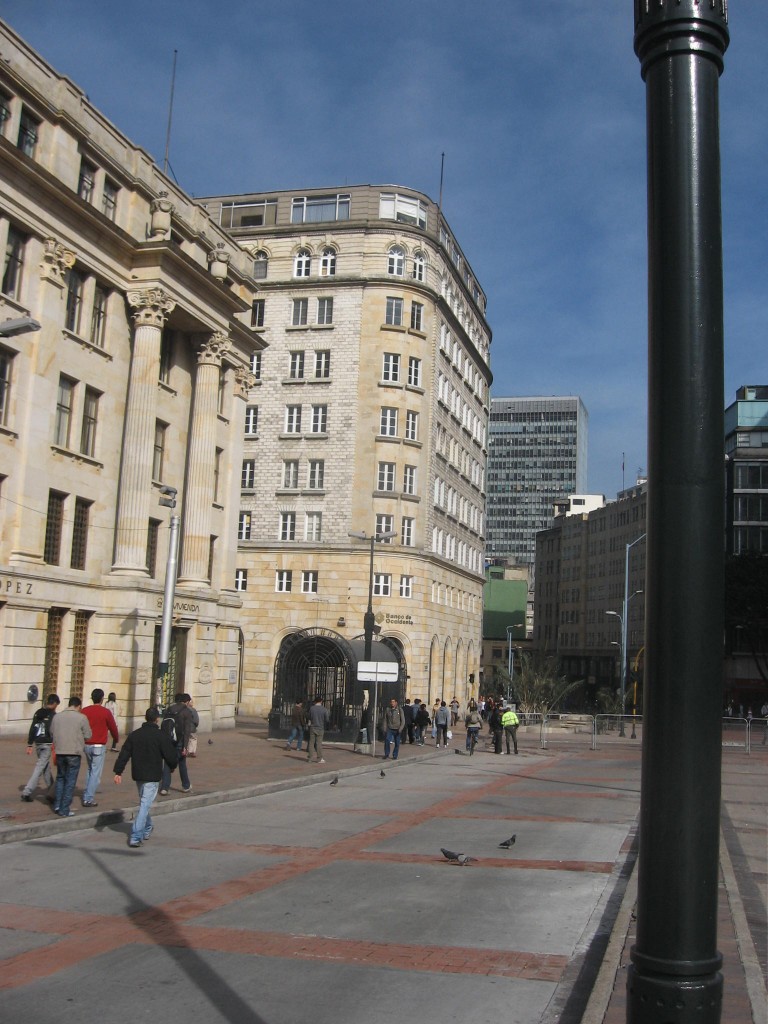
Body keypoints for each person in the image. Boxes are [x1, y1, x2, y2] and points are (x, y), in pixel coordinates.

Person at [114, 707, 178, 848]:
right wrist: (173, 765)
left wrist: (118, 771)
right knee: (145, 804)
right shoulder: (160, 735)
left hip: (138, 774)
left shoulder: (135, 735)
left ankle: (148, 827)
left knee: (145, 802)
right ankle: (136, 836)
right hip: (152, 775)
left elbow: (124, 753)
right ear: (157, 719)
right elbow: (170, 754)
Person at [49, 696, 92, 817]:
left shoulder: (57, 717)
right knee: (70, 781)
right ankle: (64, 808)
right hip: (74, 752)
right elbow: (88, 735)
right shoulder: (81, 717)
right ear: (78, 706)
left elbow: (51, 732)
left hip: (60, 751)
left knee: (60, 778)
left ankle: (57, 805)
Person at [81, 688, 119, 807]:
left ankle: (87, 792)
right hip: (98, 745)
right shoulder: (105, 712)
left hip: (87, 744)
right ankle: (88, 798)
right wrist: (116, 739)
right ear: (102, 699)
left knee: (90, 770)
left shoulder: (84, 711)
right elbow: (113, 727)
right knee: (95, 773)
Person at [21, 694, 61, 802]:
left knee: (45, 768)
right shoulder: (53, 715)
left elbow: (33, 727)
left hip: (38, 743)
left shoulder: (38, 712)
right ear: (54, 704)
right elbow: (54, 731)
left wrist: (30, 743)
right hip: (47, 744)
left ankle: (52, 792)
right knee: (40, 767)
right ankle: (27, 791)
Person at [160, 693, 195, 795]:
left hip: (168, 739)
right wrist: (185, 746)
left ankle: (164, 788)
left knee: (167, 763)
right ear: (187, 701)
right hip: (179, 740)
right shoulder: (186, 712)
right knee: (182, 763)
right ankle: (186, 785)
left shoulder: (169, 709)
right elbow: (187, 730)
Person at [306, 697, 329, 764]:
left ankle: (310, 758)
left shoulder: (312, 708)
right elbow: (327, 719)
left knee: (311, 742)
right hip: (320, 727)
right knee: (319, 743)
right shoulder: (324, 709)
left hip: (313, 727)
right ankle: (319, 758)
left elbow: (309, 716)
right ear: (321, 701)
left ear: (315, 701)